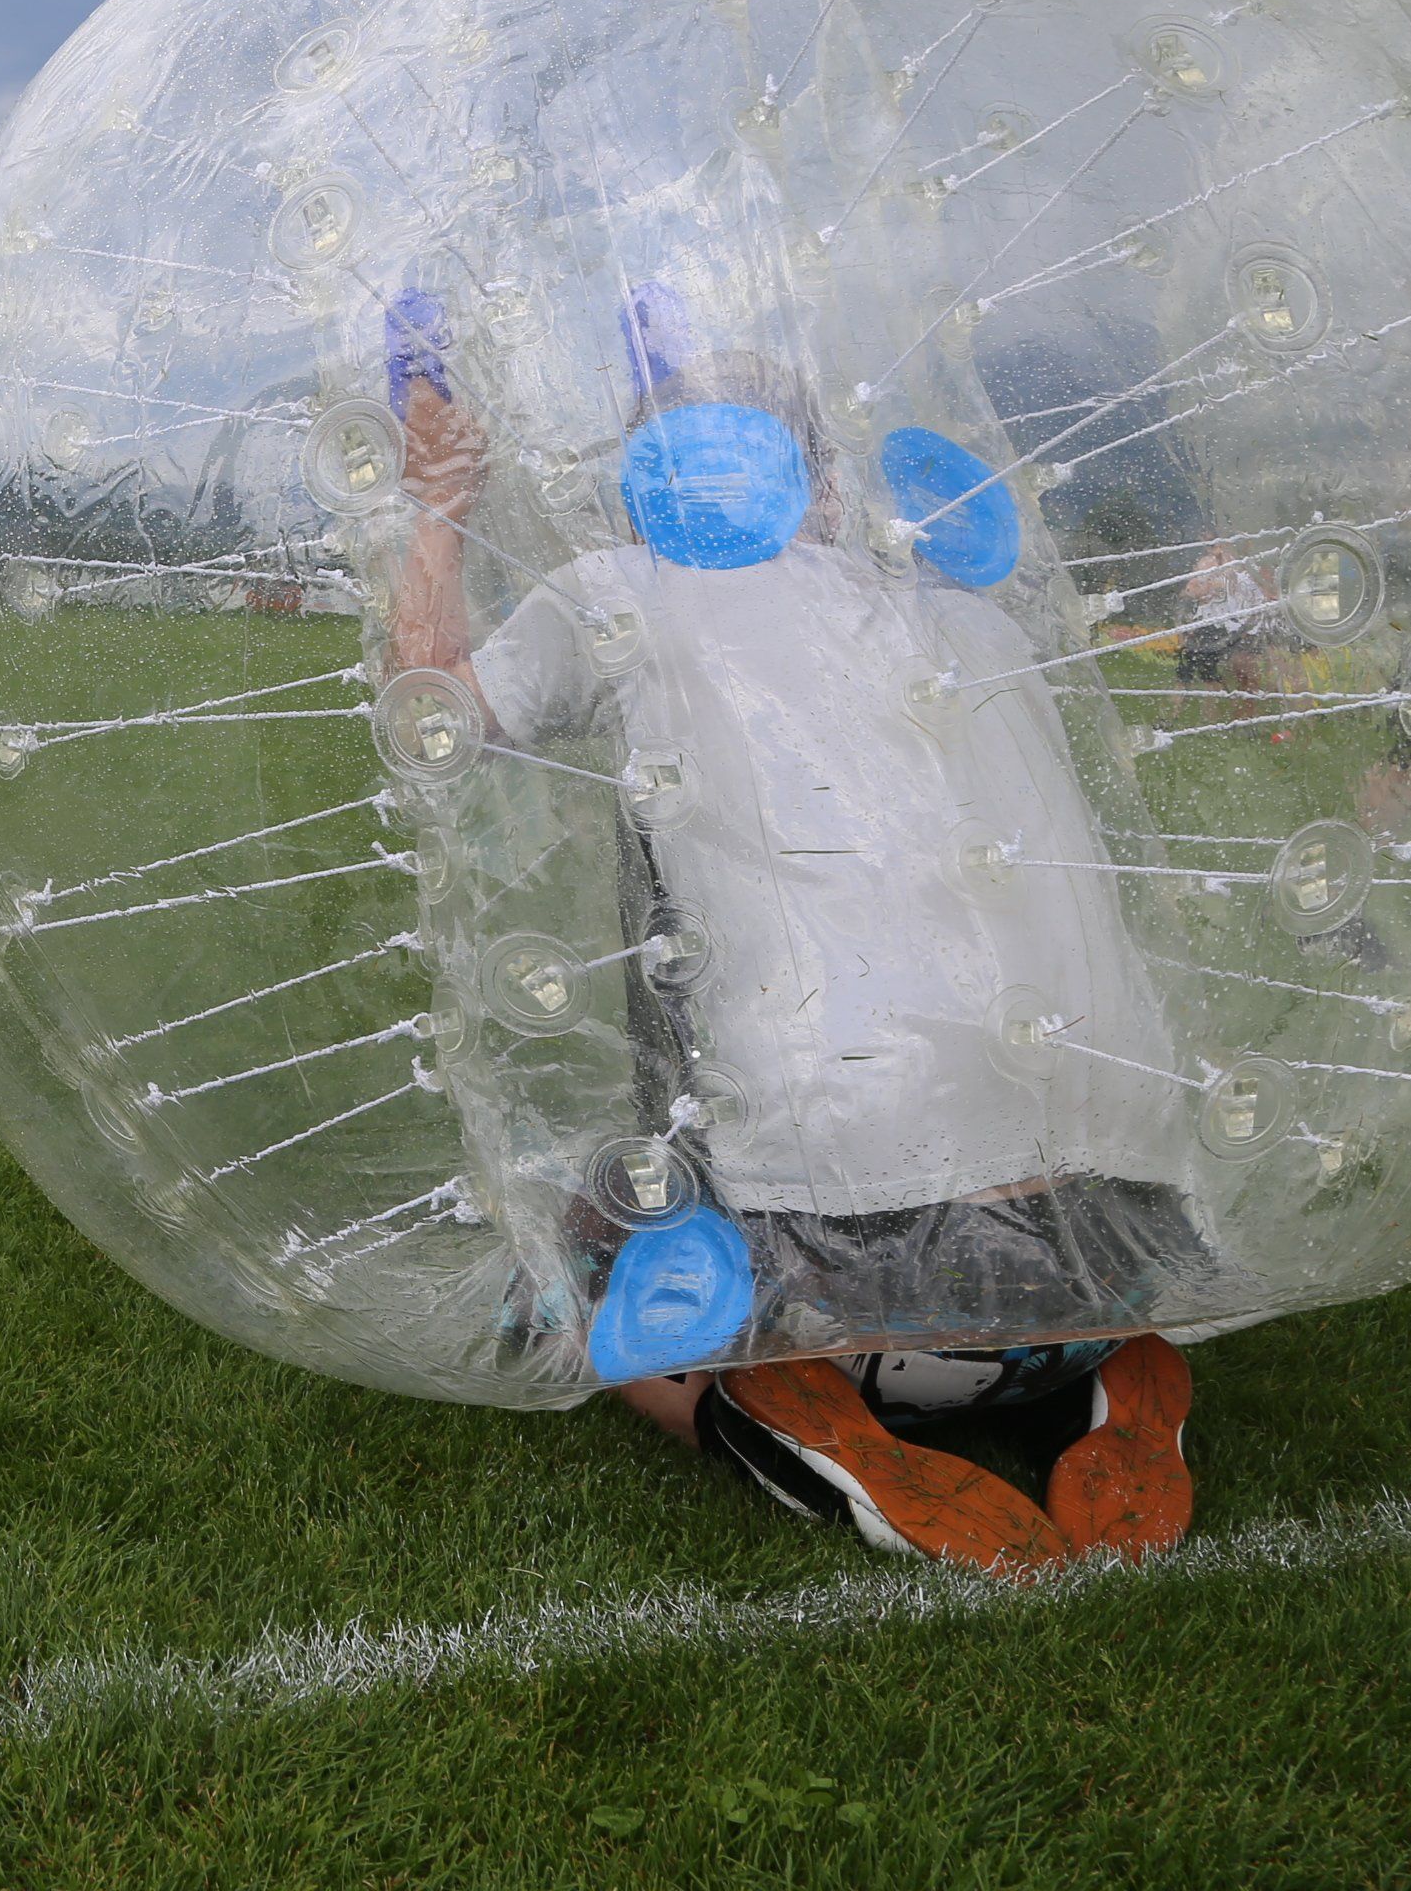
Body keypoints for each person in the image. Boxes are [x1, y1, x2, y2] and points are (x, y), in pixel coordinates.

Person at [392, 317, 1199, 1575]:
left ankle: (766, 1407)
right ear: (824, 489)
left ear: (648, 490)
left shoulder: (621, 593)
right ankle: (1119, 1377)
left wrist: (438, 504)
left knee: (580, 1251)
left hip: (853, 1300)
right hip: (1119, 1258)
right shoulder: (968, 622)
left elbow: (427, 714)